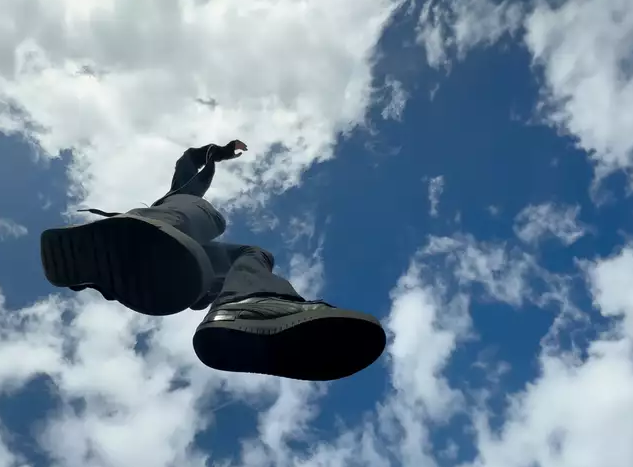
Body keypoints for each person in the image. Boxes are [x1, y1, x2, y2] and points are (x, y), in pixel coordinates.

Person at [40, 140, 386, 381]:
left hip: (186, 265)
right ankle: (142, 232)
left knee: (253, 255)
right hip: (162, 229)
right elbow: (187, 165)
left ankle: (244, 305)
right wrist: (213, 155)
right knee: (198, 210)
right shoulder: (184, 197)